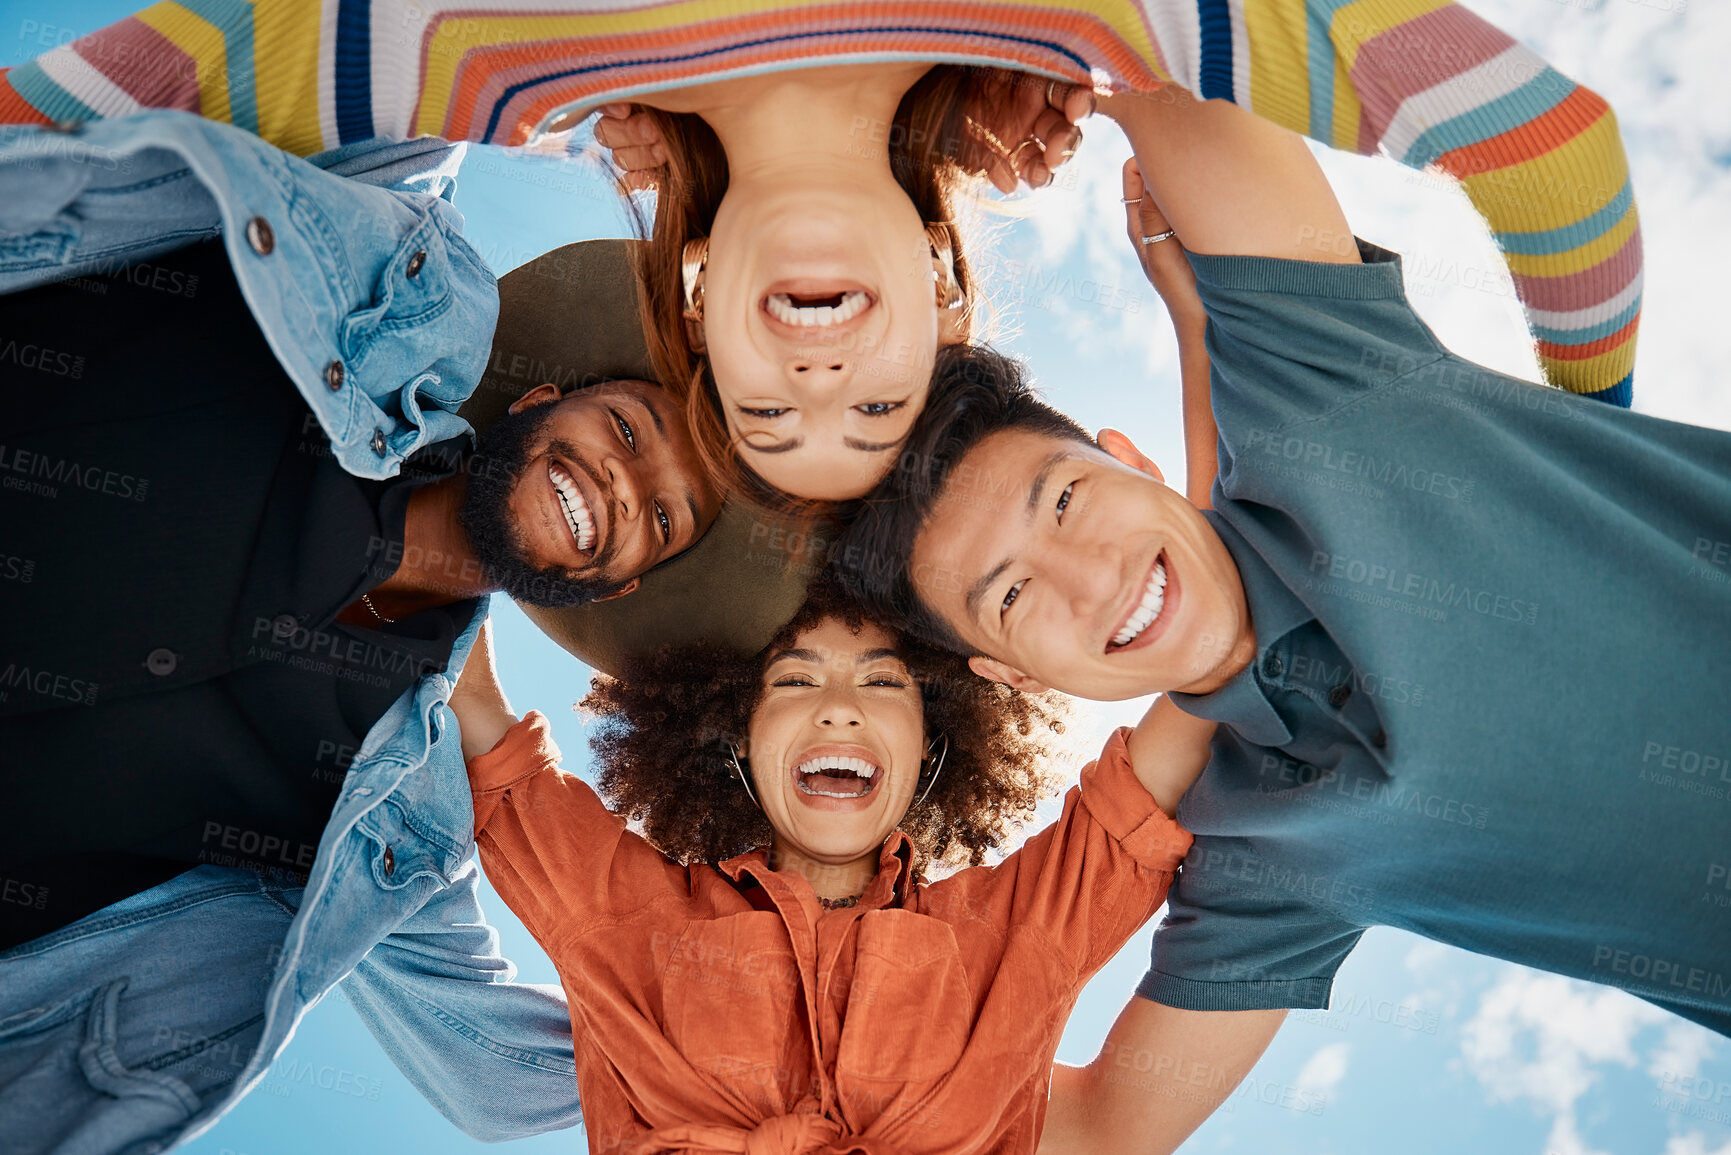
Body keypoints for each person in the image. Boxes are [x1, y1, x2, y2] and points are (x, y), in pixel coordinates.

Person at [831, 86, 1731, 1043]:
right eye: (1011, 597)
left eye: (1064, 500)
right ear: (1013, 674)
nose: (1090, 578)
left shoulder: (1314, 396)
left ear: (1129, 459)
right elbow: (1098, 1131)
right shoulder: (1258, 854)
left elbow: (1152, 49)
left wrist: (986, 82)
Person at [3, 0, 1643, 506]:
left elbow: (41, 125)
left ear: (694, 304)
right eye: (872, 412)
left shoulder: (462, 61)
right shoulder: (1114, 19)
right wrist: (1599, 448)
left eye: (767, 415)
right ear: (943, 298)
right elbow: (1545, 142)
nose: (816, 384)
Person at [0, 116, 719, 1153]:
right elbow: (405, 91)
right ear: (548, 399)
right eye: (627, 431)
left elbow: (499, 1081)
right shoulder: (374, 313)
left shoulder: (407, 811)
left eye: (661, 519)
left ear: (612, 587)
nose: (625, 482)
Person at [445, 573, 1221, 1153]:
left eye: (883, 680)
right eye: (794, 677)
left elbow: (1141, 787)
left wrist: (1218, 581)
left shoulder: (1013, 936)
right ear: (739, 738)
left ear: (927, 749)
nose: (838, 704)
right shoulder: (625, 919)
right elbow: (480, 720)